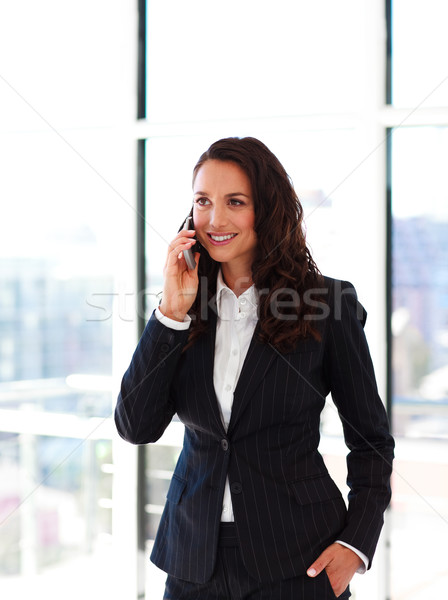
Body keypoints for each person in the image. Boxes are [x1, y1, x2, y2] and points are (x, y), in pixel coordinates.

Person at [115, 137, 394, 599]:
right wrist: (171, 313)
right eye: (203, 201)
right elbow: (136, 426)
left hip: (299, 560)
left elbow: (372, 441)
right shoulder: (182, 308)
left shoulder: (329, 304)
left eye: (235, 202)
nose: (215, 219)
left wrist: (355, 544)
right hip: (193, 561)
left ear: (267, 210)